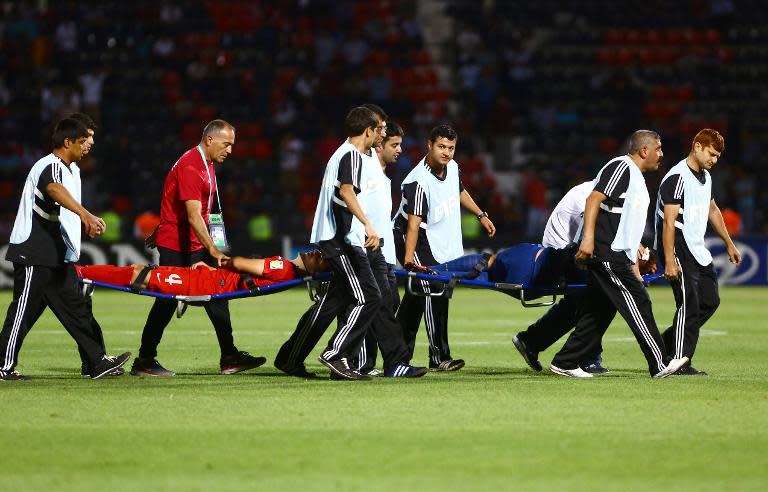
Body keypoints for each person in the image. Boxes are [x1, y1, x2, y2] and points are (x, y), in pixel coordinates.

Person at [548, 130, 688, 378]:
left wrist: (634, 260)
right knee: (639, 301)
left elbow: (625, 224)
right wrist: (588, 239)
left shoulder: (636, 178)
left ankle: (566, 361)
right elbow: (593, 199)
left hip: (616, 254)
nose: (661, 154)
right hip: (606, 252)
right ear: (644, 150)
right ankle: (659, 363)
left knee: (599, 311)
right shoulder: (620, 166)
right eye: (658, 148)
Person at [131, 119, 265, 377]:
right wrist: (214, 251)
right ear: (210, 140)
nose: (230, 150)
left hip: (190, 242)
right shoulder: (192, 166)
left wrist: (160, 229)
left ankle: (229, 356)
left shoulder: (207, 163)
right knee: (167, 299)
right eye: (227, 144)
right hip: (179, 246)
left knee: (218, 294)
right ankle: (145, 360)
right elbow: (193, 216)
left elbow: (183, 206)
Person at [0, 117, 130, 380]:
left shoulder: (73, 169)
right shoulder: (51, 165)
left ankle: (97, 362)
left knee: (77, 308)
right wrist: (85, 215)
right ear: (67, 142)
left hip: (56, 253)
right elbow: (53, 189)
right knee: (22, 313)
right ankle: (2, 366)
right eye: (84, 140)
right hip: (35, 251)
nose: (90, 144)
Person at [393, 124, 496, 371]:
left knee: (416, 295)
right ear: (429, 145)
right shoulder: (418, 181)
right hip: (410, 236)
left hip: (434, 237)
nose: (446, 152)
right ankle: (439, 357)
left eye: (450, 148)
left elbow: (458, 190)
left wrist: (481, 214)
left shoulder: (452, 167)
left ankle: (396, 352)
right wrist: (408, 260)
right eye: (441, 146)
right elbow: (413, 225)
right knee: (432, 285)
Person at [654, 129, 741, 375]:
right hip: (677, 244)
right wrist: (669, 260)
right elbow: (669, 222)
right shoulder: (676, 178)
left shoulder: (705, 177)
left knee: (710, 300)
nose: (714, 160)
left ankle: (665, 344)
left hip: (696, 247)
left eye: (717, 157)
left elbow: (713, 210)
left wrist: (729, 243)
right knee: (688, 303)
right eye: (711, 154)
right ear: (697, 146)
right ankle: (679, 361)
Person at [76, 249, 329, 296]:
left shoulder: (282, 267)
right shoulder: (288, 272)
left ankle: (81, 273)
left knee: (139, 276)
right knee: (141, 272)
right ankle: (82, 272)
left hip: (206, 285)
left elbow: (241, 264)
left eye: (319, 258)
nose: (315, 252)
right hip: (209, 279)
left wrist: (220, 260)